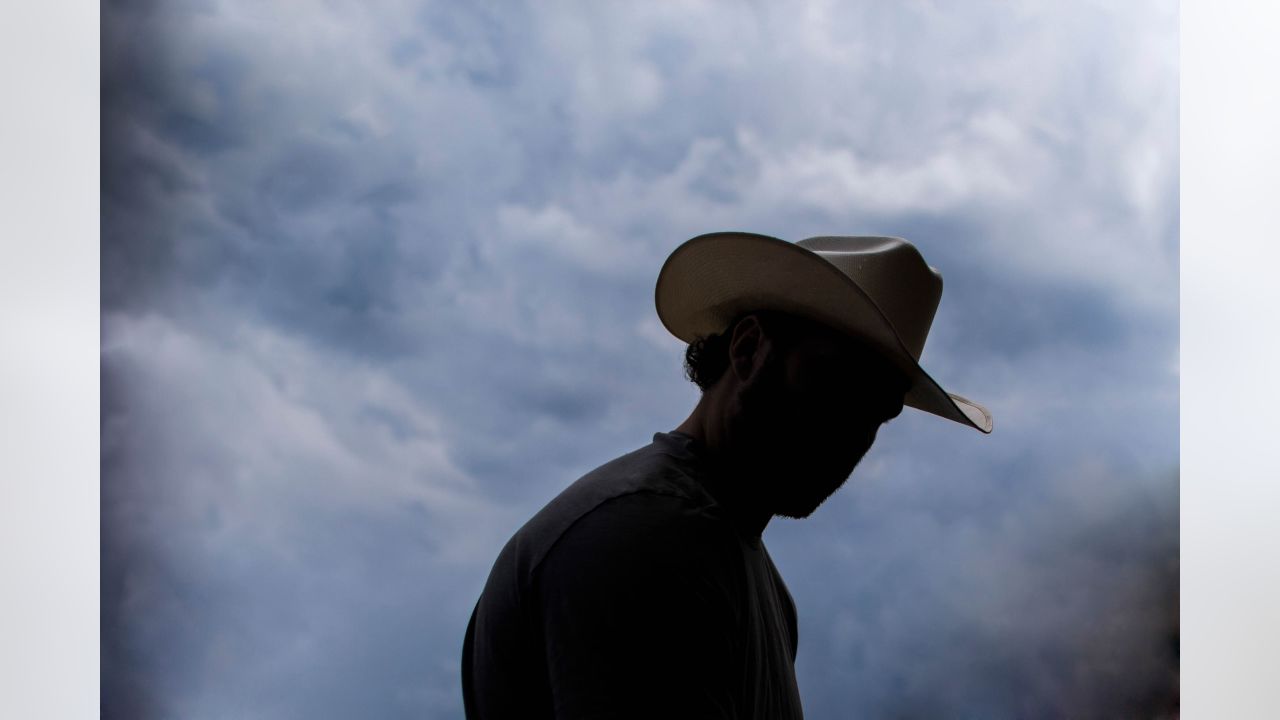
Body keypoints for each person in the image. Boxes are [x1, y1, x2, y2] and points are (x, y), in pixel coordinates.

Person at [461, 231, 992, 719]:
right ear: (748, 349)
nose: (853, 430)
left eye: (878, 410)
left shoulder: (728, 559)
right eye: (836, 383)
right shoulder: (645, 536)